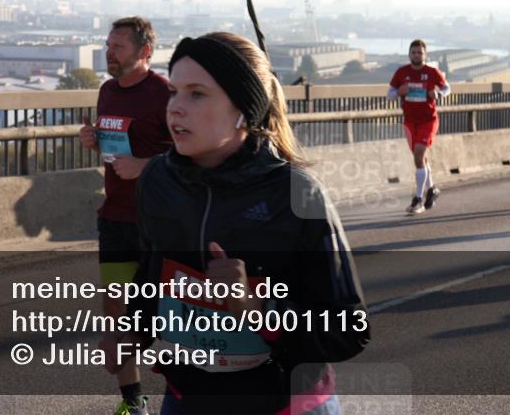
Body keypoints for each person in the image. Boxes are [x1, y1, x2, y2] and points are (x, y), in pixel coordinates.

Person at [117, 32, 368, 415]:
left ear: (243, 109)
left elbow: (348, 330)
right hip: (187, 401)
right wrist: (132, 331)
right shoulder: (156, 180)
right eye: (173, 92)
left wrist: (258, 307)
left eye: (196, 94)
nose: (175, 108)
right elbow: (151, 278)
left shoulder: (297, 193)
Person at [79, 17, 172, 415]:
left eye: (118, 47)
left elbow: (190, 154)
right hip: (115, 217)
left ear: (144, 51)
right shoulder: (106, 91)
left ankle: (189, 395)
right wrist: (92, 140)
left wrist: (145, 165)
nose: (109, 53)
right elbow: (113, 147)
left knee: (171, 316)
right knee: (116, 317)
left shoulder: (165, 93)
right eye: (108, 45)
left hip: (159, 222)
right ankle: (133, 403)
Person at [388, 40, 451, 214]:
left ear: (425, 54)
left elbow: (447, 88)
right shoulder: (402, 72)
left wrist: (438, 94)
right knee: (421, 159)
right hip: (410, 122)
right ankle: (432, 190)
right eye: (414, 52)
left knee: (418, 156)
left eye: (420, 52)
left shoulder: (432, 72)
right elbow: (389, 94)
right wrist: (398, 92)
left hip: (428, 120)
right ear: (409, 54)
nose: (416, 55)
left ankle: (418, 200)